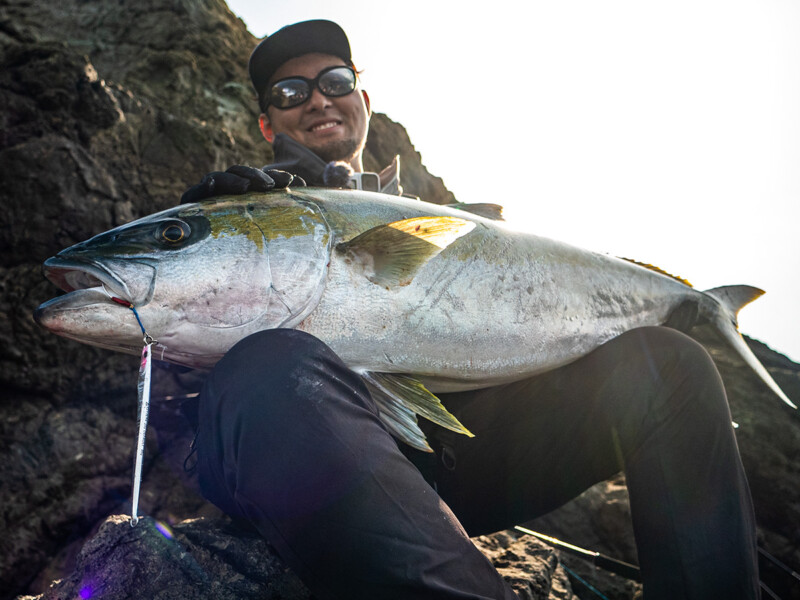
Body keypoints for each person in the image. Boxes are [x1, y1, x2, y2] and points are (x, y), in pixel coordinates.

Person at [183, 19, 759, 600]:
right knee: (266, 366)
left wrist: (673, 301)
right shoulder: (234, 209)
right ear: (265, 122)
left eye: (333, 81)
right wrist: (209, 246)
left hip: (470, 461)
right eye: (289, 93)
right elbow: (183, 363)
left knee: (671, 367)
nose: (316, 101)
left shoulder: (446, 212)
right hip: (324, 475)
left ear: (362, 98)